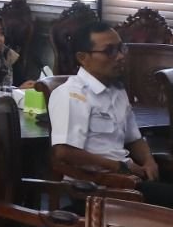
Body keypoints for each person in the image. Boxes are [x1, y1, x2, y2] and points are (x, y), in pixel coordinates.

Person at [48, 22, 166, 193]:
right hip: (97, 187)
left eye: (120, 48)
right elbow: (64, 153)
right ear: (82, 58)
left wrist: (149, 161)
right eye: (109, 51)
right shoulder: (72, 94)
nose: (120, 57)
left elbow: (134, 139)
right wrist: (119, 167)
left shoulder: (117, 90)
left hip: (128, 179)